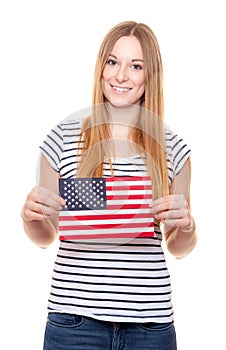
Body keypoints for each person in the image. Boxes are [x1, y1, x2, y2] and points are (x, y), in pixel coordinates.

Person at [21, 21, 197, 350]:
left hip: (150, 326)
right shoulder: (62, 139)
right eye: (113, 62)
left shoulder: (174, 149)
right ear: (101, 67)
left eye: (136, 66)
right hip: (73, 322)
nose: (120, 76)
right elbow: (47, 236)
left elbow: (178, 246)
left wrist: (186, 225)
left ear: (150, 76)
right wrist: (31, 217)